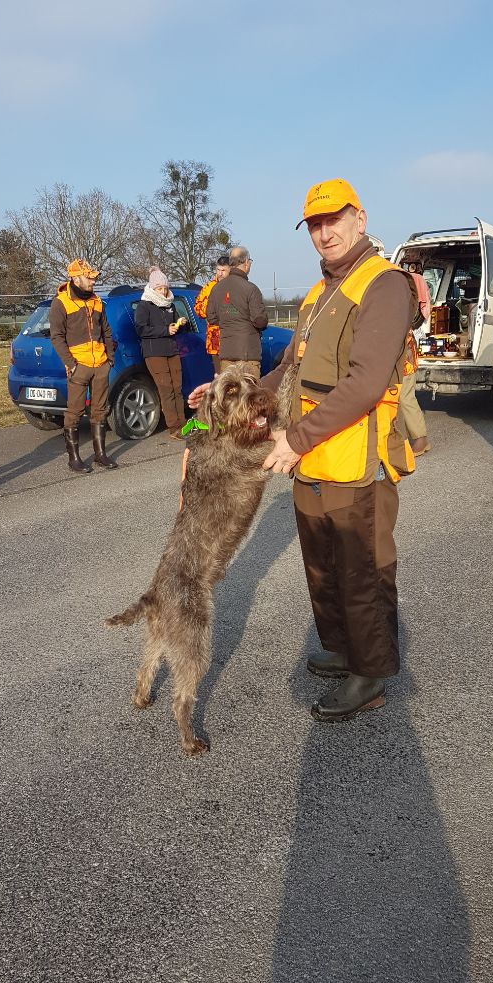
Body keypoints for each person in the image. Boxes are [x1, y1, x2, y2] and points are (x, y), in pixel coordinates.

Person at [190, 179, 418, 723]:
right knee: (322, 565)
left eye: (332, 220)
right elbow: (288, 370)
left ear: (358, 219)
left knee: (361, 567)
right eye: (314, 224)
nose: (324, 232)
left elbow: (364, 385)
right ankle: (343, 650)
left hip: (355, 457)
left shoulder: (383, 286)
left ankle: (371, 673)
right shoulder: (318, 293)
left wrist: (293, 439)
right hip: (312, 456)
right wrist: (231, 395)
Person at [49, 258, 117, 474]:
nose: (92, 282)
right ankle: (74, 459)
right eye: (89, 278)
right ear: (76, 278)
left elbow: (106, 331)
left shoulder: (97, 301)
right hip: (79, 365)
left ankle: (100, 455)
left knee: (100, 410)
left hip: (100, 364)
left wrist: (109, 359)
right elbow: (57, 337)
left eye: (93, 278)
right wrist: (72, 364)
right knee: (75, 411)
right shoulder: (61, 302)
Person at [134, 267, 187, 440]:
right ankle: (174, 427)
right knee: (166, 389)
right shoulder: (144, 305)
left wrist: (181, 323)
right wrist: (165, 330)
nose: (163, 291)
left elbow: (176, 329)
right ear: (152, 288)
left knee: (177, 388)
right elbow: (141, 329)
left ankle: (183, 423)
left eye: (165, 288)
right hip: (154, 352)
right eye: (159, 288)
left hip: (172, 349)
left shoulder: (170, 305)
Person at [206, 246, 268, 378]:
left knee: (229, 396)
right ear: (246, 262)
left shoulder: (216, 289)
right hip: (248, 354)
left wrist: (228, 318)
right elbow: (260, 320)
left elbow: (211, 318)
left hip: (226, 353)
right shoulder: (251, 289)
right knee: (249, 395)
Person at [399, 269, 431, 456]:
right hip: (396, 359)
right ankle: (400, 440)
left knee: (405, 398)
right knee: (395, 400)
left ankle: (421, 439)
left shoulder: (405, 306)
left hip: (404, 360)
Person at [194, 256, 230, 373]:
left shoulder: (235, 287)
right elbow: (198, 308)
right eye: (218, 270)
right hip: (215, 340)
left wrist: (226, 310)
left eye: (223, 270)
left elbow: (237, 310)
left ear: (230, 269)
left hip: (233, 338)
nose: (220, 273)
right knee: (220, 377)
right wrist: (212, 308)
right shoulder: (209, 287)